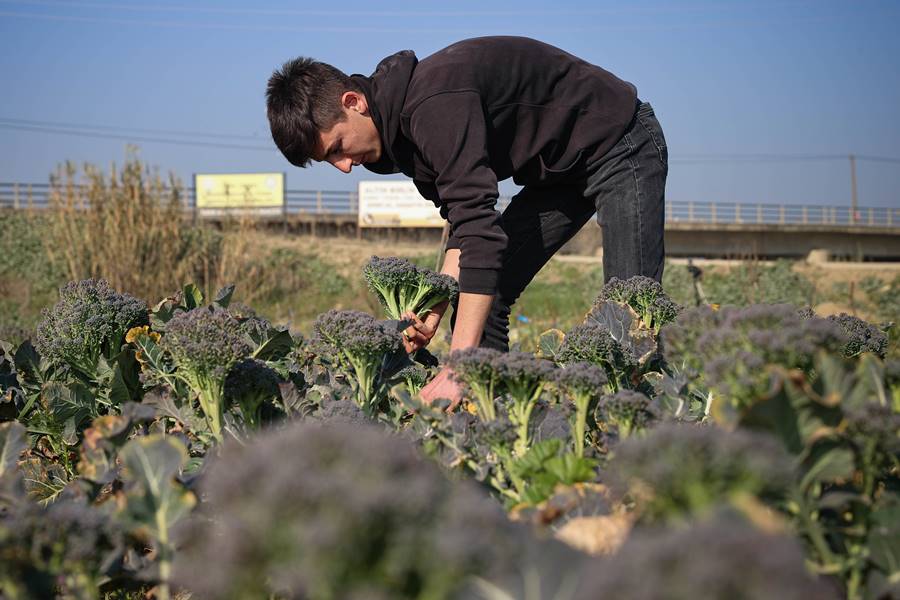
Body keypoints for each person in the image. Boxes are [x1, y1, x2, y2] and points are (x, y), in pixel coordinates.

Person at [266, 36, 667, 406]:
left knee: (631, 316)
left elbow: (480, 234)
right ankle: (491, 421)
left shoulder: (433, 105)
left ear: (354, 102)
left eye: (337, 147)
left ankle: (646, 433)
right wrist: (434, 304)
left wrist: (458, 366)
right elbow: (463, 224)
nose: (343, 166)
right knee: (481, 297)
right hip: (559, 174)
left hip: (619, 142)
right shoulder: (399, 137)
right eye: (329, 161)